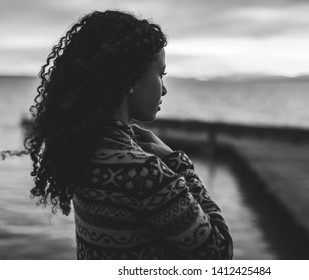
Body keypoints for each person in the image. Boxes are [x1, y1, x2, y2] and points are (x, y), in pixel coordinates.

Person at [23, 10, 233, 259]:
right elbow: (219, 252)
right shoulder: (145, 172)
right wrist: (177, 162)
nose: (164, 89)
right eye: (160, 74)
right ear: (130, 77)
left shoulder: (83, 150)